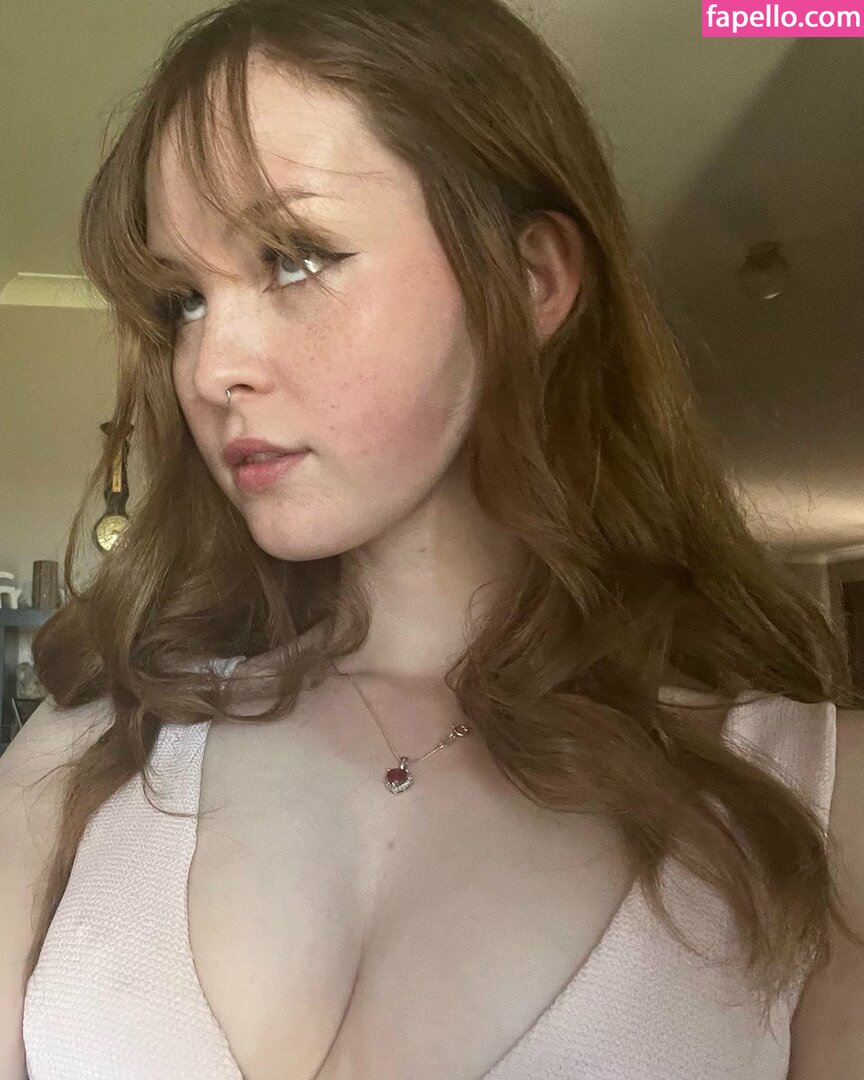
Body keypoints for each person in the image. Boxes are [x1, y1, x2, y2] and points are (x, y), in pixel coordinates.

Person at [2, 1, 863, 1077]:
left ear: (529, 282)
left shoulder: (816, 804)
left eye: (295, 258)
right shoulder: (85, 751)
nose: (213, 367)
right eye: (183, 300)